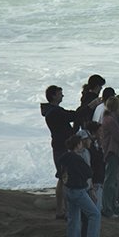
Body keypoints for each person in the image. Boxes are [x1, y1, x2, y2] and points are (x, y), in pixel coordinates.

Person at [61, 130, 101, 237]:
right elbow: (88, 172)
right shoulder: (77, 158)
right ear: (78, 144)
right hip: (79, 190)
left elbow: (60, 173)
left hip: (68, 189)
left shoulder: (64, 157)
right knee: (95, 214)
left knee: (73, 218)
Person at [40, 85, 76, 219]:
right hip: (61, 147)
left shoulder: (52, 111)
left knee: (62, 178)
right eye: (61, 94)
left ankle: (61, 209)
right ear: (54, 95)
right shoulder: (54, 112)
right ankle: (63, 210)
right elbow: (71, 116)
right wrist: (89, 107)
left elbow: (69, 115)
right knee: (64, 178)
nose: (62, 96)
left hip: (58, 146)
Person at [99, 95, 119, 217]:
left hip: (114, 151)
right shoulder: (110, 120)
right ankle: (107, 208)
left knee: (114, 180)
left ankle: (113, 205)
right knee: (110, 181)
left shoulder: (110, 118)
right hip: (112, 151)